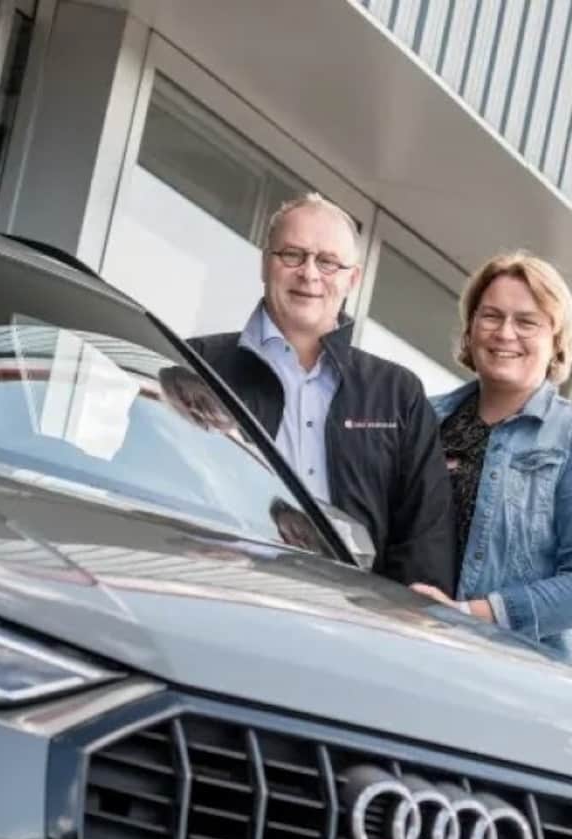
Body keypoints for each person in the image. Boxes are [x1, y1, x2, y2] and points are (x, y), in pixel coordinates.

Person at [189, 194, 456, 593]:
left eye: (328, 262)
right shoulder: (198, 366)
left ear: (353, 279)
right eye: (292, 255)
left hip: (343, 614)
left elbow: (425, 542)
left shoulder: (398, 394)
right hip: (219, 590)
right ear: (265, 263)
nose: (309, 274)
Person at [411, 252, 572, 660]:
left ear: (557, 340)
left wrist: (466, 615)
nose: (505, 333)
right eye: (491, 316)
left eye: (527, 322)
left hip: (514, 672)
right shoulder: (424, 419)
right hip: (412, 648)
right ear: (470, 329)